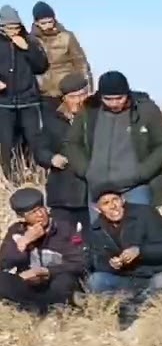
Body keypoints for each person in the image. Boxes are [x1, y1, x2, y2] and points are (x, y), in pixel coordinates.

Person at [63, 71, 162, 222]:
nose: (114, 103)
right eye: (108, 99)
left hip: (136, 187)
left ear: (127, 94)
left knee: (141, 230)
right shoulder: (89, 109)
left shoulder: (145, 109)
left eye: (119, 98)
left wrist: (141, 173)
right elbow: (72, 143)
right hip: (99, 188)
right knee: (101, 233)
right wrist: (86, 171)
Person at [84, 185, 162, 325]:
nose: (113, 206)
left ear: (123, 200)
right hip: (125, 279)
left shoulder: (146, 214)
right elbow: (97, 261)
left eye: (115, 200)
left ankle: (134, 307)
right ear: (97, 209)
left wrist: (140, 251)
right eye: (106, 203)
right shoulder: (96, 228)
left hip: (153, 274)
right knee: (96, 280)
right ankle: (133, 305)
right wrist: (112, 264)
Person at [0, 187, 84, 314]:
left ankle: (55, 310)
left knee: (64, 281)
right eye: (33, 213)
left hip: (56, 280)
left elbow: (80, 262)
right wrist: (24, 242)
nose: (40, 215)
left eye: (41, 209)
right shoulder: (16, 231)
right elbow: (5, 263)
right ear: (22, 217)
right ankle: (33, 309)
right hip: (30, 284)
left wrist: (48, 272)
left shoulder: (65, 228)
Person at [32, 74, 91, 231]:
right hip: (64, 194)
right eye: (73, 97)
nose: (79, 100)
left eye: (82, 95)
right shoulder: (53, 120)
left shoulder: (99, 118)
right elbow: (40, 149)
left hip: (92, 193)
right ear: (64, 99)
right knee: (63, 237)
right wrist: (51, 158)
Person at [0, 4, 50, 179]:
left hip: (29, 100)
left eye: (15, 27)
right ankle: (11, 179)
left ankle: (36, 176)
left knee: (34, 141)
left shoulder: (30, 41)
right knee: (7, 144)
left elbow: (41, 66)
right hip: (4, 102)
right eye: (9, 28)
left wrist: (27, 49)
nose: (13, 31)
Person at [30, 1, 92, 101]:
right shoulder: (31, 40)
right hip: (44, 91)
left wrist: (84, 85)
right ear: (36, 23)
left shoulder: (67, 37)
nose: (48, 26)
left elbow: (80, 61)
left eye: (50, 22)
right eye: (43, 23)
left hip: (68, 89)